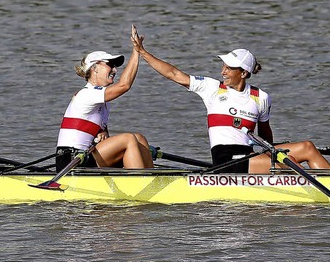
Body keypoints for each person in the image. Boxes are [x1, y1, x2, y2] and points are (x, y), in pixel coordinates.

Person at [131, 25, 330, 173]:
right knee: (287, 161)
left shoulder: (260, 97)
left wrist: (272, 151)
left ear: (243, 73)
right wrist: (143, 52)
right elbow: (174, 74)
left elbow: (266, 138)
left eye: (229, 68)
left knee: (307, 147)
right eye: (223, 66)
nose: (222, 71)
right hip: (227, 159)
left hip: (250, 154)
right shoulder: (212, 89)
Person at [55, 25, 154, 172]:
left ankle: (153, 180)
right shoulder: (87, 94)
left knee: (139, 138)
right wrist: (136, 51)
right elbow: (124, 85)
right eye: (109, 65)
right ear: (94, 68)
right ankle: (141, 184)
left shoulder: (103, 102)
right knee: (128, 139)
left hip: (87, 155)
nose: (114, 70)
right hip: (71, 160)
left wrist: (101, 133)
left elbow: (99, 134)